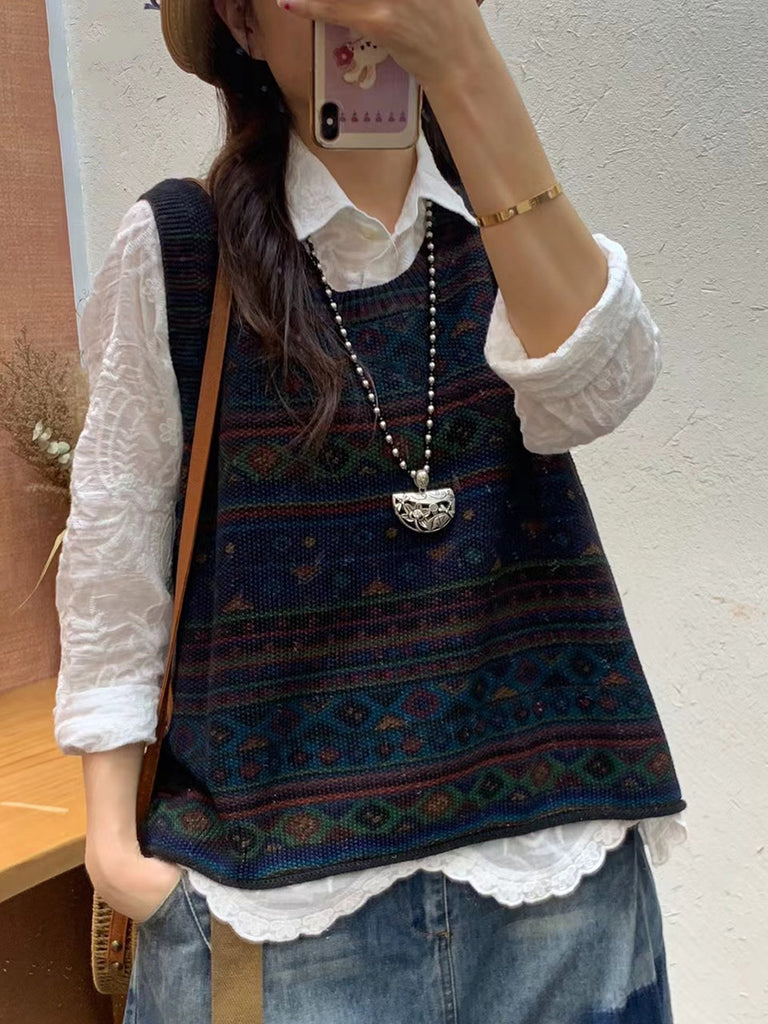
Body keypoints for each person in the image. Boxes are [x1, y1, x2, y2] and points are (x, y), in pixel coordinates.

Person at [53, 0, 688, 1021]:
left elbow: (598, 391)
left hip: (553, 882)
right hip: (283, 914)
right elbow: (114, 556)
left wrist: (466, 63)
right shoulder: (183, 249)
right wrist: (115, 854)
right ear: (242, 22)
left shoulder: (505, 219)